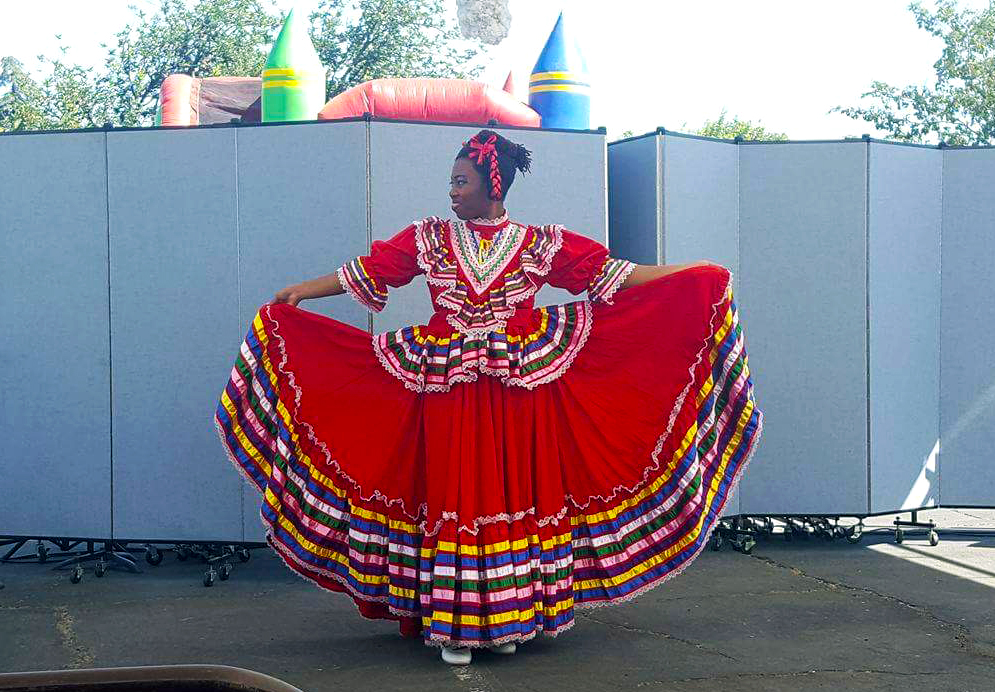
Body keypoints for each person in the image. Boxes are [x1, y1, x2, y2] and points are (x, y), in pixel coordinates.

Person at [215, 129, 763, 665]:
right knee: (456, 490)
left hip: (517, 391)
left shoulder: (538, 243)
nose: (452, 191)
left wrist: (696, 274)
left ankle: (508, 617)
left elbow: (615, 275)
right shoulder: (428, 237)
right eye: (451, 182)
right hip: (449, 387)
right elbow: (371, 270)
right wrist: (304, 291)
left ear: (492, 188)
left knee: (510, 490)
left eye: (461, 181)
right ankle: (458, 622)